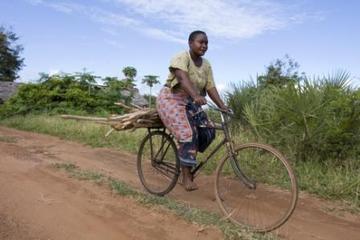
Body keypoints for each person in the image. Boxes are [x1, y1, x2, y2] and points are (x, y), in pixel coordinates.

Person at [156, 30, 228, 191]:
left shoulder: (207, 64)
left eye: (206, 43)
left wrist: (222, 106)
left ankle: (187, 157)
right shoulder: (181, 57)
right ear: (190, 43)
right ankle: (186, 176)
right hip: (171, 98)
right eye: (200, 42)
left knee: (208, 130)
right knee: (188, 133)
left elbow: (210, 87)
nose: (204, 45)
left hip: (190, 101)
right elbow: (182, 78)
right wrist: (196, 95)